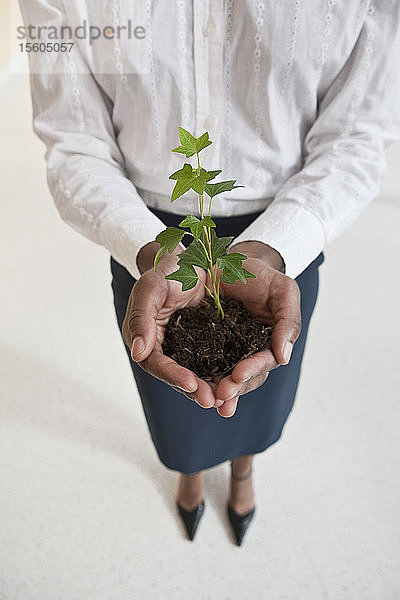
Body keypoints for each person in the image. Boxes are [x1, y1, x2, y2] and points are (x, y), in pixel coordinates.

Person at [20, 0, 400, 545]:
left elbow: (360, 134)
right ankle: (190, 472)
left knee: (262, 383)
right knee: (177, 398)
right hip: (149, 244)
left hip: (284, 236)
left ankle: (244, 470)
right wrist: (148, 248)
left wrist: (273, 249)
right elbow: (69, 138)